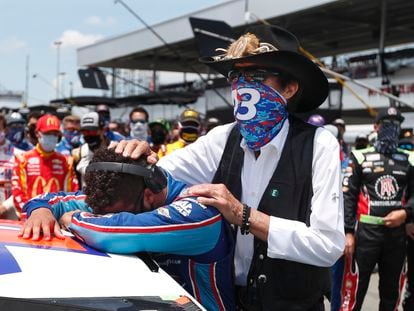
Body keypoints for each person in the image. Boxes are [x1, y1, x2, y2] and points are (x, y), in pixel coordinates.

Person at [112, 24, 345, 310]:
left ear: (290, 88)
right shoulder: (222, 138)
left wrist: (244, 215)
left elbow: (328, 246)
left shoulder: (319, 144)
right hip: (227, 300)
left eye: (256, 76)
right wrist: (139, 160)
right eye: (237, 76)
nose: (243, 86)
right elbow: (156, 178)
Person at [20, 147, 235, 311]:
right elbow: (49, 199)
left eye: (112, 214)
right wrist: (41, 212)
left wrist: (73, 218)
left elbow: (110, 230)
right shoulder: (125, 193)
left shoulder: (201, 213)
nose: (106, 216)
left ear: (150, 196)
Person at [342, 107, 414, 311]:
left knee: (391, 294)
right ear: (376, 126)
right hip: (366, 233)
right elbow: (348, 195)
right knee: (354, 291)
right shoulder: (359, 156)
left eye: (396, 125)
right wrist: (348, 232)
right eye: (386, 124)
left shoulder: (409, 159)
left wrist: (406, 214)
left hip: (397, 236)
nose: (391, 128)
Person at [12, 114, 79, 218]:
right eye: (48, 133)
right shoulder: (22, 159)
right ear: (37, 133)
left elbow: (73, 195)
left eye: (55, 134)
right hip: (29, 220)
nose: (52, 137)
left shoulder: (67, 162)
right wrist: (32, 215)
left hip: (58, 221)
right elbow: (17, 194)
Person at [72, 112, 111, 188]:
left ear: (103, 130)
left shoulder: (114, 149)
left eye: (92, 131)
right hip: (85, 197)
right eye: (84, 132)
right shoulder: (78, 153)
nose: (88, 134)